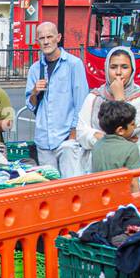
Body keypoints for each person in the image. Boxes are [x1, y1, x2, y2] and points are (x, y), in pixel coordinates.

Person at [25, 21, 90, 178]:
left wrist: (73, 136)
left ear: (58, 38)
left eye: (49, 36)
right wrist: (34, 92)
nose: (46, 41)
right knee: (49, 191)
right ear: (37, 41)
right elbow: (30, 105)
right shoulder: (35, 68)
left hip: (66, 139)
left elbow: (81, 102)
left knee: (71, 186)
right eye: (41, 38)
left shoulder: (74, 64)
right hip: (43, 141)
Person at [73, 46, 140, 174]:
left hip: (130, 170)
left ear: (132, 70)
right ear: (106, 69)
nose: (118, 72)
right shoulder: (94, 96)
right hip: (96, 169)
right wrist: (108, 138)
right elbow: (81, 133)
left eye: (124, 67)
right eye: (113, 67)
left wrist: (119, 96)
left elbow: (125, 131)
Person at [90, 100, 140, 177]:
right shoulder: (131, 148)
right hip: (122, 188)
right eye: (132, 124)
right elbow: (134, 182)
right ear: (120, 130)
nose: (135, 127)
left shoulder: (97, 145)